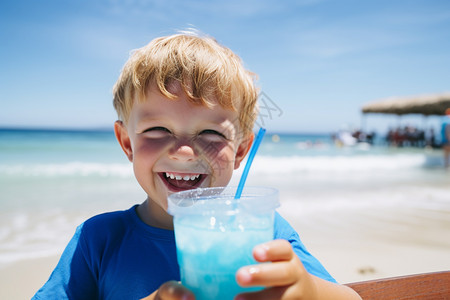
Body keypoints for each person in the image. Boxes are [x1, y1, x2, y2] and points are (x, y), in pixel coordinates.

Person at [33, 32, 361, 300]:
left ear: (241, 150)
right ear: (127, 143)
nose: (185, 152)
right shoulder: (100, 239)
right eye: (157, 130)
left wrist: (309, 292)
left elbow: (351, 298)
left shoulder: (263, 230)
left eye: (210, 133)